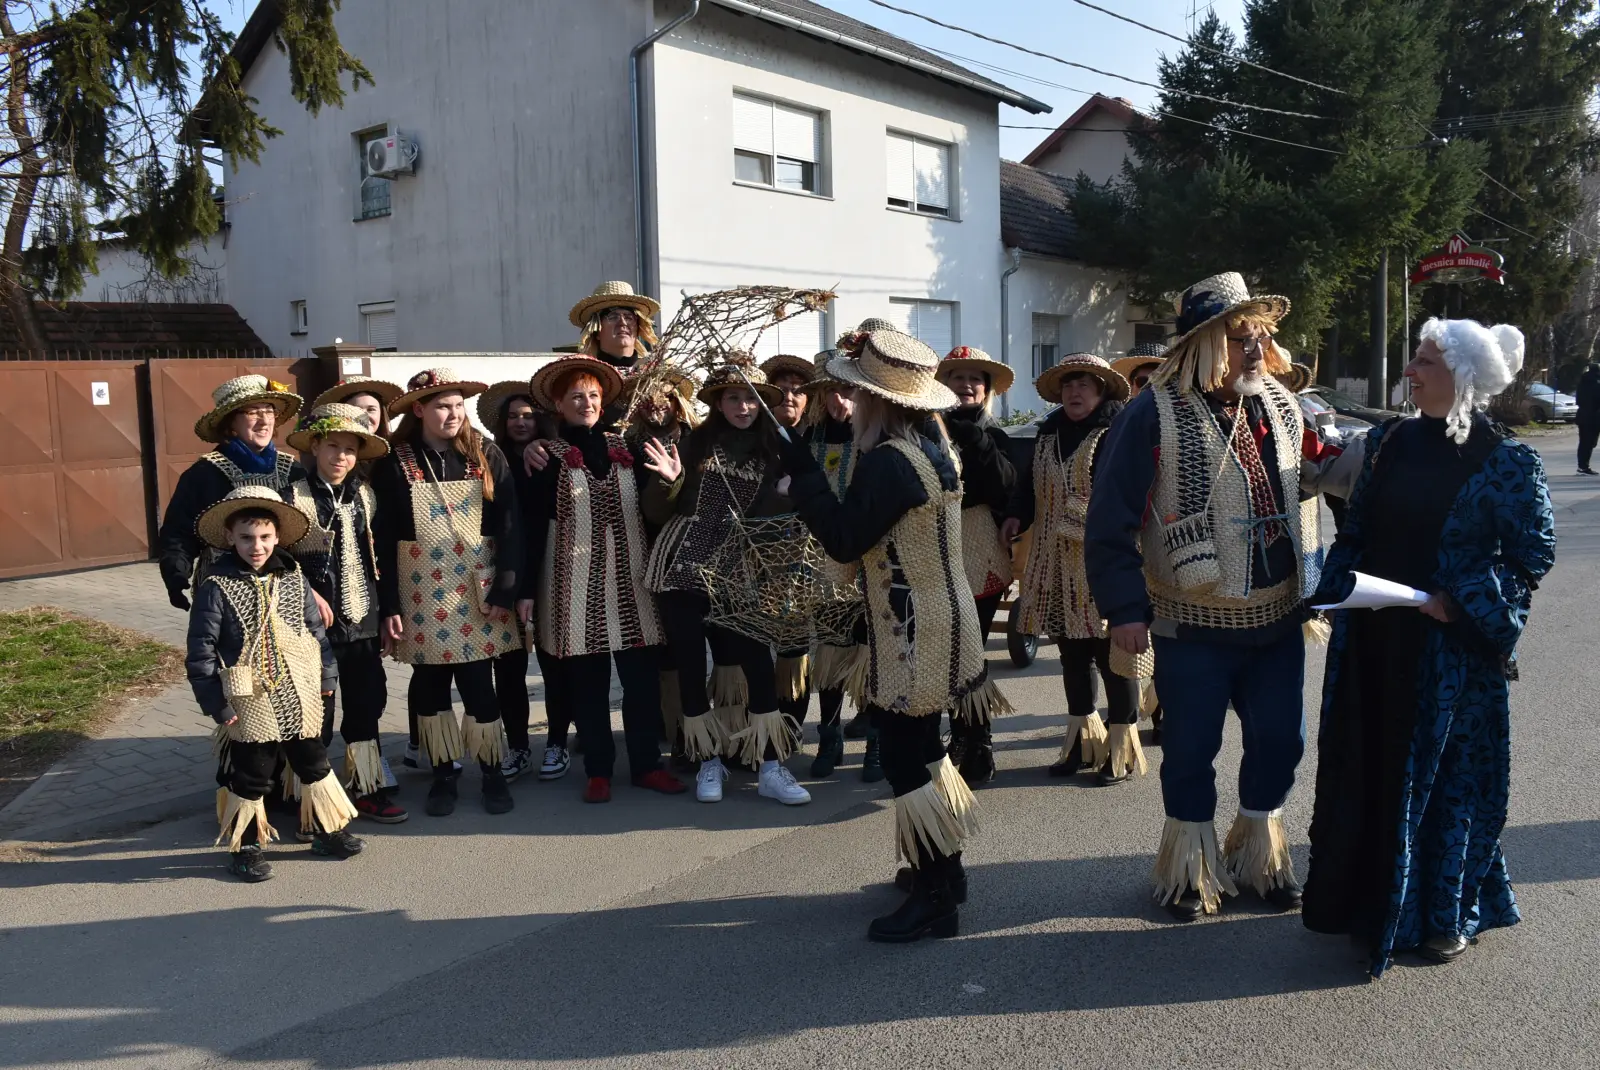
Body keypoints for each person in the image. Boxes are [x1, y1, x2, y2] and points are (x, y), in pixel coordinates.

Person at [1303, 319, 1555, 975]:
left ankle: (1444, 916)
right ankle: (1363, 903)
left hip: (1451, 652)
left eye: (1425, 362)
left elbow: (1530, 557)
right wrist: (1339, 584)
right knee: (1371, 765)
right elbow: (1355, 528)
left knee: (1447, 786)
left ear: (1463, 376)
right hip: (1375, 636)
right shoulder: (1389, 440)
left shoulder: (1506, 459)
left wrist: (1459, 600)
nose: (1410, 372)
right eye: (1414, 360)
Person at [1085, 272, 1326, 922]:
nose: (1259, 351)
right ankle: (1191, 870)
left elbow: (1320, 474)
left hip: (1278, 615)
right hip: (1191, 623)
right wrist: (1125, 611)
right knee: (1191, 750)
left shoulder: (1280, 404)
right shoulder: (1149, 413)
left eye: (1263, 338)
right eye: (1245, 338)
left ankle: (1258, 855)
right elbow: (1109, 522)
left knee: (1282, 741)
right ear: (1207, 343)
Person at [780, 327, 1008, 942]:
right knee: (926, 750)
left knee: (909, 756)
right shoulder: (932, 445)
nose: (851, 402)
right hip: (942, 617)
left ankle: (936, 897)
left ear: (881, 400)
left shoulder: (889, 461)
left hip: (913, 629)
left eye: (858, 393)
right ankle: (944, 872)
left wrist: (802, 475)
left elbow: (844, 539)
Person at [642, 360, 812, 807]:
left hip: (739, 572)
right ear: (718, 403)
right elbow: (657, 513)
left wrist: (784, 496)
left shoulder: (776, 451)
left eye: (751, 399)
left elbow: (769, 524)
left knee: (757, 664)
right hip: (682, 568)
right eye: (733, 398)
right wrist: (670, 483)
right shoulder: (692, 443)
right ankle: (707, 761)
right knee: (690, 669)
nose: (743, 407)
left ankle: (771, 766)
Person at [524, 356, 686, 802]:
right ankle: (598, 771)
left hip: (632, 581)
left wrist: (671, 481)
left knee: (641, 683)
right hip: (572, 585)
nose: (587, 403)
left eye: (593, 395)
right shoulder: (546, 456)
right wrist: (524, 590)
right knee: (588, 686)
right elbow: (532, 527)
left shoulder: (628, 447)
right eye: (576, 396)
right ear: (558, 404)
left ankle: (647, 765)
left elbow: (656, 507)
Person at [185, 488, 361, 882]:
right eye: (246, 537)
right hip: (249, 699)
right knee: (253, 773)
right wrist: (216, 703)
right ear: (230, 537)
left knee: (314, 762)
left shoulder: (294, 578)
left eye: (265, 537)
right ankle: (245, 847)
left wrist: (326, 678)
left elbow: (315, 633)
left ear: (278, 536)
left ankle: (327, 830)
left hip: (300, 690)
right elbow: (201, 651)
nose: (257, 546)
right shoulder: (215, 587)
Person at [372, 368, 524, 818]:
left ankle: (492, 772)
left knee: (479, 687)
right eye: (442, 406)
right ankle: (443, 775)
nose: (453, 414)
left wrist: (506, 586)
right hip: (419, 594)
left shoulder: (485, 453)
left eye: (458, 405)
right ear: (419, 410)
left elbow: (511, 523)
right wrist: (389, 603)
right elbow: (382, 538)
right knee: (430, 688)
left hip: (476, 593)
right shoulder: (394, 462)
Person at [1003, 353, 1144, 787]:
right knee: (1072, 655)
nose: (1074, 392)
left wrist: (1082, 514)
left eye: (1084, 384)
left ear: (1101, 392)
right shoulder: (1048, 435)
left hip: (1102, 562)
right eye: (1068, 385)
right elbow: (1030, 487)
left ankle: (1120, 748)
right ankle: (1083, 741)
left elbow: (1131, 494)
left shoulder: (1115, 434)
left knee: (1112, 656)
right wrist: (1016, 516)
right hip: (1052, 561)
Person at [283, 404, 406, 824]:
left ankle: (367, 786)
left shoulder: (366, 496)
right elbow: (277, 558)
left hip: (363, 622)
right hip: (312, 629)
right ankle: (310, 797)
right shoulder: (293, 497)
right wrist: (306, 594)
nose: (341, 457)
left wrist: (389, 611)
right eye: (333, 446)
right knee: (318, 712)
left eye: (350, 450)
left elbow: (381, 559)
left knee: (366, 706)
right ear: (315, 446)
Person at [936, 346, 1017, 786]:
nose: (966, 385)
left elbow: (1004, 486)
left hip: (981, 552)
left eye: (975, 379)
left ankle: (978, 739)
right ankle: (963, 735)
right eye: (957, 377)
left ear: (986, 390)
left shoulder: (995, 436)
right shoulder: (925, 431)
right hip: (933, 553)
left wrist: (976, 440)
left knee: (969, 648)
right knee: (948, 651)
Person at [159, 375, 305, 612]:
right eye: (252, 412)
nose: (264, 421)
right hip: (224, 590)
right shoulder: (205, 473)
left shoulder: (293, 470)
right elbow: (178, 532)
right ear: (230, 423)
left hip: (283, 589)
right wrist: (176, 576)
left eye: (269, 411)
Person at [798, 353, 878, 781]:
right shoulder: (807, 438)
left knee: (871, 655)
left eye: (847, 390)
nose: (838, 400)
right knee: (829, 656)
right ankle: (829, 738)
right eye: (830, 390)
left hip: (868, 563)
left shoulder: (874, 438)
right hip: (821, 563)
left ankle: (876, 743)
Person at [619, 366, 701, 768]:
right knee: (666, 647)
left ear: (678, 401)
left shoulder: (697, 440)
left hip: (699, 555)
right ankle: (674, 728)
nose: (655, 404)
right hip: (646, 554)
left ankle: (704, 731)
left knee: (702, 650)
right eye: (645, 397)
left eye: (664, 396)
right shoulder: (623, 445)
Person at [477, 381, 551, 784]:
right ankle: (518, 747)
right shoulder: (490, 459)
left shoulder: (554, 455)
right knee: (509, 669)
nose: (521, 423)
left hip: (550, 568)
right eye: (513, 417)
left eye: (528, 416)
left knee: (555, 665)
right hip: (505, 572)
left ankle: (558, 741)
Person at [760, 354, 822, 743]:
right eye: (781, 390)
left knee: (794, 644)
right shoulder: (756, 437)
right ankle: (756, 725)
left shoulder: (816, 440)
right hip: (757, 553)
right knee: (753, 646)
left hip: (803, 555)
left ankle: (791, 725)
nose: (790, 397)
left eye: (798, 391)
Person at [1576, 361, 1600, 475]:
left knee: (1584, 442)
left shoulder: (1582, 383)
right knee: (1590, 443)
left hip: (1582, 415)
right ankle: (1583, 466)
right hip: (1594, 416)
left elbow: (1578, 400)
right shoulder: (1597, 383)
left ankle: (1582, 466)